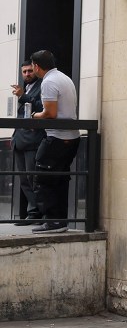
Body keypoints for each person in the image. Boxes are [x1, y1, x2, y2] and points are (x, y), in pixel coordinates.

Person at [27, 50, 80, 232]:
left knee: (43, 178)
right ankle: (59, 221)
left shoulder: (49, 82)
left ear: (36, 66)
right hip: (71, 138)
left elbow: (50, 113)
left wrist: (34, 115)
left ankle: (53, 222)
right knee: (60, 179)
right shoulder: (64, 78)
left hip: (57, 137)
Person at [10, 62, 45, 222]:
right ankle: (33, 212)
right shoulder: (26, 88)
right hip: (19, 140)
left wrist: (23, 96)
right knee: (24, 180)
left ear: (36, 70)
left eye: (30, 71)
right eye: (24, 71)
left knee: (33, 178)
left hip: (33, 140)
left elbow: (42, 108)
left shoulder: (43, 85)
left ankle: (37, 212)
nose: (27, 74)